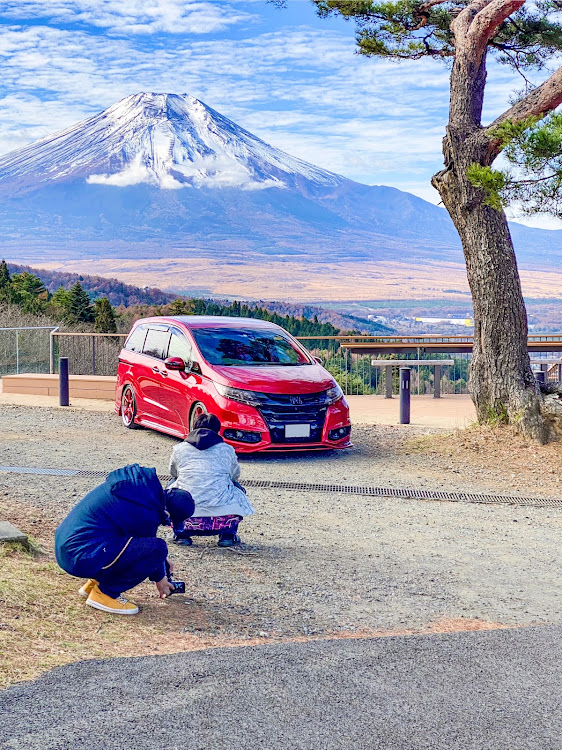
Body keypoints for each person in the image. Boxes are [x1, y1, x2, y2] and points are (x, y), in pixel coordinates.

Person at [55, 464, 194, 615]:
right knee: (158, 548)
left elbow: (136, 546)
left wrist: (163, 565)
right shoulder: (145, 511)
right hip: (79, 557)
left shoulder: (139, 493)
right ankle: (105, 594)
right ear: (167, 513)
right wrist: (161, 578)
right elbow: (152, 551)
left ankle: (95, 584)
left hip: (68, 548)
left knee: (129, 544)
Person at [168, 413, 255, 547]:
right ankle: (227, 535)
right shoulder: (227, 449)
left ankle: (181, 534)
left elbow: (173, 472)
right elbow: (235, 475)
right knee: (236, 486)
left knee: (172, 485)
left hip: (188, 518)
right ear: (218, 431)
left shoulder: (179, 449)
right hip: (221, 519)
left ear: (194, 427)